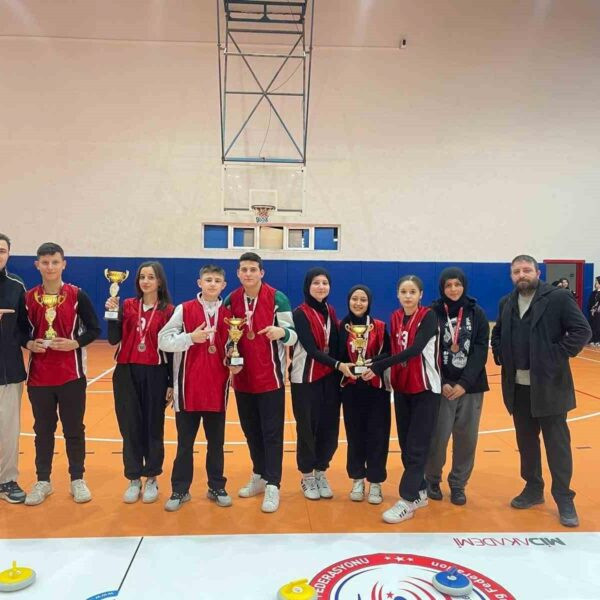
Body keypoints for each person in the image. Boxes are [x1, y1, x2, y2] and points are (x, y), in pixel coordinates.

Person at [491, 255, 591, 527]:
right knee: (527, 444)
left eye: (526, 270)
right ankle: (533, 488)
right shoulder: (507, 302)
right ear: (511, 276)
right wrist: (500, 353)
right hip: (518, 389)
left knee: (557, 445)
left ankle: (563, 497)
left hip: (550, 387)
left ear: (538, 271)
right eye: (516, 271)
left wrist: (556, 355)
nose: (521, 275)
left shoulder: (557, 298)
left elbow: (582, 330)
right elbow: (497, 333)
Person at [24, 242, 100, 505]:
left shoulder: (78, 295)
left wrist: (75, 343)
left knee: (74, 429)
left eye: (55, 262)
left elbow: (94, 329)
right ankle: (43, 481)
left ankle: (77, 479)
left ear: (63, 264)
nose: (50, 267)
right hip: (39, 378)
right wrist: (29, 343)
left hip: (71, 376)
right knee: (42, 430)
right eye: (45, 262)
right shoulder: (29, 297)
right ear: (37, 265)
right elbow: (20, 332)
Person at [158, 265, 238, 512]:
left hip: (216, 388)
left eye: (217, 281)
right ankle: (180, 489)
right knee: (185, 444)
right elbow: (163, 340)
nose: (212, 284)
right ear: (199, 283)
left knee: (216, 443)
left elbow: (232, 346)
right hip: (187, 389)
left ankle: (216, 485)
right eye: (208, 280)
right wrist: (190, 338)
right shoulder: (184, 309)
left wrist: (234, 359)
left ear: (224, 285)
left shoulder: (229, 314)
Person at [223, 252, 297, 513]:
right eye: (244, 269)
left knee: (272, 434)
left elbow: (293, 336)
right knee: (251, 431)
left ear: (261, 273)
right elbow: (227, 337)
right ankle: (259, 474)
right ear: (238, 273)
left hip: (271, 379)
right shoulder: (231, 299)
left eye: (253, 269)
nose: (248, 274)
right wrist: (228, 355)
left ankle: (273, 484)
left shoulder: (278, 298)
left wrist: (282, 332)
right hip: (242, 378)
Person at [365, 275, 441, 524]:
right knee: (407, 447)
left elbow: (415, 350)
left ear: (420, 295)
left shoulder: (429, 316)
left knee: (418, 447)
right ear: (397, 295)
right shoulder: (396, 317)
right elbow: (394, 351)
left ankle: (407, 501)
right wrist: (371, 361)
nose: (407, 296)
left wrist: (379, 367)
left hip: (426, 388)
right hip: (403, 387)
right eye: (403, 291)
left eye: (412, 292)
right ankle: (420, 493)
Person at [105, 261, 174, 504]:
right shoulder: (127, 305)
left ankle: (152, 477)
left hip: (156, 373)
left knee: (153, 427)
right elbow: (113, 339)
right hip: (126, 372)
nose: (146, 281)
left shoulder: (168, 310)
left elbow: (173, 351)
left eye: (151, 277)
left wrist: (171, 383)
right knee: (130, 427)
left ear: (159, 281)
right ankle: (134, 478)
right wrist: (112, 314)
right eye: (142, 277)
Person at [424, 267, 489, 506]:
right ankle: (432, 479)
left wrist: (464, 383)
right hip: (440, 387)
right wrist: (440, 382)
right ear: (442, 287)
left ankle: (458, 484)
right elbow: (427, 349)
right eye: (448, 285)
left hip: (470, 388)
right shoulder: (432, 312)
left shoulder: (477, 313)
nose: (453, 289)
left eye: (457, 284)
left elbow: (481, 349)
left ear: (464, 286)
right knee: (437, 438)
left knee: (466, 439)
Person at [289, 267, 343, 500]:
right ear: (308, 287)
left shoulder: (331, 311)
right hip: (306, 379)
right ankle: (307, 475)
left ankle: (321, 470)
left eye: (325, 283)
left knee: (329, 427)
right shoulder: (299, 313)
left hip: (329, 379)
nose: (321, 287)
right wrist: (339, 364)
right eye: (316, 283)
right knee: (307, 428)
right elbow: (310, 349)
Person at [338, 284, 391, 505]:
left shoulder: (379, 326)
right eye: (354, 299)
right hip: (351, 389)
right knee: (355, 436)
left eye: (363, 299)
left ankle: (376, 482)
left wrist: (374, 365)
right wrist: (348, 367)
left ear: (369, 303)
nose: (358, 303)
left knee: (378, 436)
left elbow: (390, 353)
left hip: (376, 389)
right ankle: (358, 479)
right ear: (349, 301)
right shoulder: (342, 326)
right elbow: (337, 354)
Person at [0, 233, 31, 503]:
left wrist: (35, 343)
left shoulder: (16, 286)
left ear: (9, 253)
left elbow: (24, 329)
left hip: (8, 371)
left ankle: (7, 480)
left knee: (8, 429)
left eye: (2, 250)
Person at [587, 276, 600, 346]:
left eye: (597, 283)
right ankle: (592, 339)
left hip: (599, 313)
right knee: (592, 326)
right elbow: (590, 302)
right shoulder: (593, 292)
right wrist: (592, 309)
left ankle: (598, 340)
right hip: (593, 313)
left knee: (598, 326)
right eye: (596, 283)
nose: (596, 284)